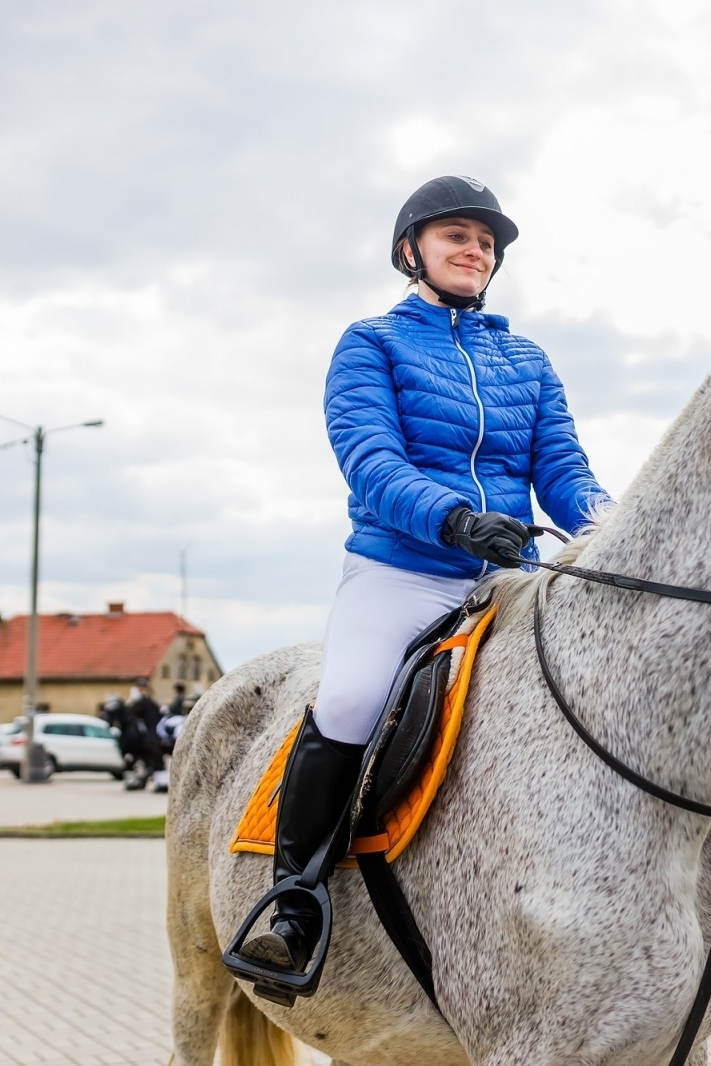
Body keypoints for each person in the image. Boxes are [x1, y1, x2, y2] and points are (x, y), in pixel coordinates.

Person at [235, 175, 612, 982]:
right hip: (403, 570)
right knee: (349, 700)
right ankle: (294, 905)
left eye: (485, 242)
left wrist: (612, 532)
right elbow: (370, 462)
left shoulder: (527, 358)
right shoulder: (369, 343)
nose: (474, 250)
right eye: (456, 237)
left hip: (511, 578)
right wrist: (454, 520)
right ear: (412, 251)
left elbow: (564, 471)